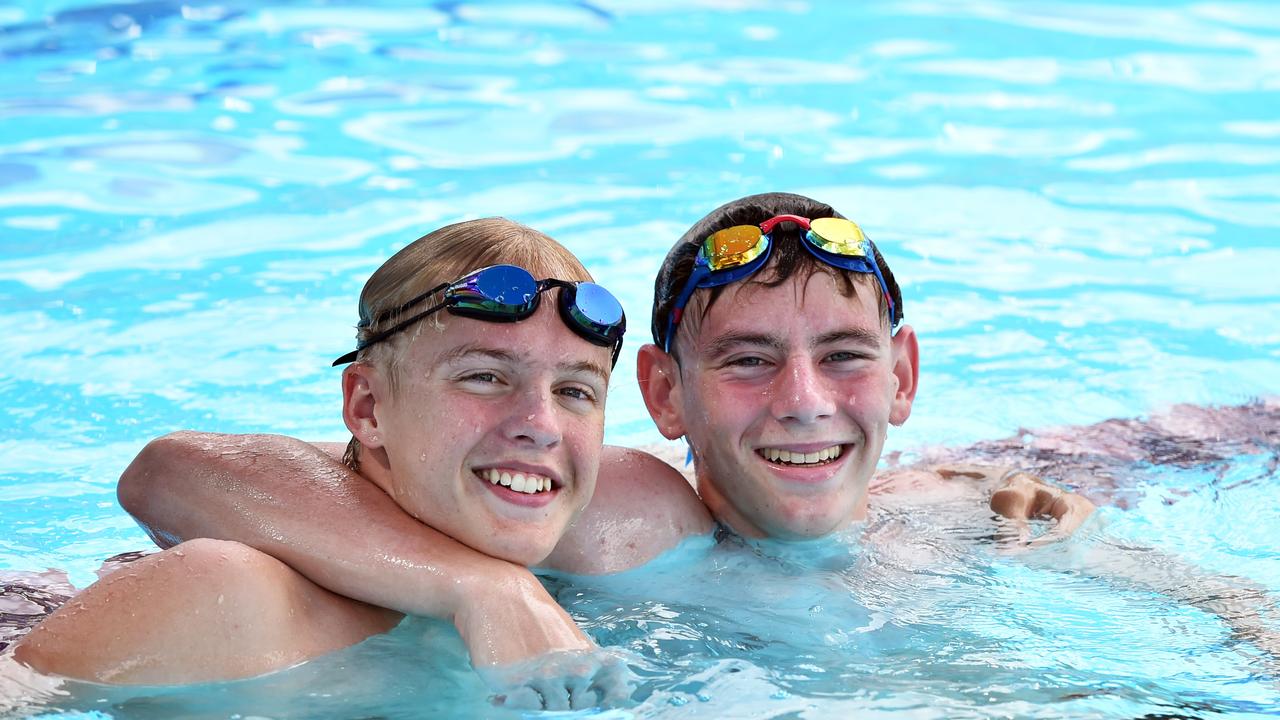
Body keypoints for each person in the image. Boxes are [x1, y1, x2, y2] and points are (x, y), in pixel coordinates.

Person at [89, 195, 1092, 635]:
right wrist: (481, 593)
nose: (802, 403)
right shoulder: (622, 516)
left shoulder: (965, 511)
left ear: (902, 375)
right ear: (661, 397)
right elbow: (174, 471)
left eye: (842, 358)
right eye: (748, 361)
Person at [10, 218, 638, 709]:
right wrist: (487, 589)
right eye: (483, 377)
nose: (539, 424)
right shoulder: (232, 595)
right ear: (368, 408)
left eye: (574, 391)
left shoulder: (609, 553)